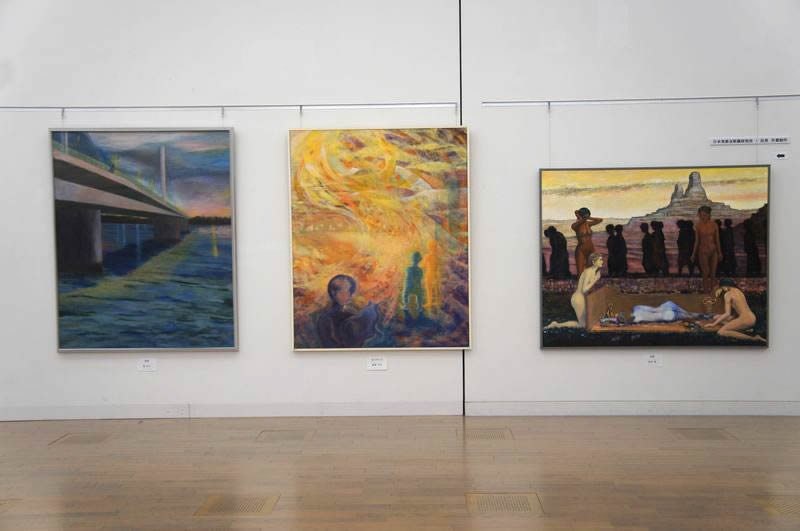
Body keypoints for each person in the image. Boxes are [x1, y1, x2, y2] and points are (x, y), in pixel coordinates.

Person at [317, 275, 379, 348]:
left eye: (351, 291)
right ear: (333, 293)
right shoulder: (325, 319)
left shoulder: (351, 313)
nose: (350, 295)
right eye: (345, 291)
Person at [545, 253, 603, 329]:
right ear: (593, 262)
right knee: (583, 325)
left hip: (582, 299)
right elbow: (584, 289)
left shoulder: (593, 272)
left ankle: (557, 324)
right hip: (578, 299)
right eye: (600, 260)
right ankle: (557, 325)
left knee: (586, 323)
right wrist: (595, 279)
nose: (602, 261)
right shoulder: (588, 272)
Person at [703, 278, 766, 343]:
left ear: (725, 286)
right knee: (717, 317)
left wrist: (713, 324)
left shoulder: (728, 294)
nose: (722, 290)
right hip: (752, 318)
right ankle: (745, 329)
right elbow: (737, 311)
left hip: (745, 320)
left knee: (721, 332)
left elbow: (727, 313)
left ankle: (753, 338)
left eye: (722, 288)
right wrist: (721, 318)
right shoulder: (739, 291)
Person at [691, 206, 722, 293]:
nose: (702, 217)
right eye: (700, 215)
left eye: (704, 215)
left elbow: (717, 240)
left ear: (709, 215)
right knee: (705, 273)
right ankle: (705, 292)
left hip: (713, 251)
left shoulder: (714, 225)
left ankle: (713, 292)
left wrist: (720, 252)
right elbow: (697, 241)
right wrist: (693, 254)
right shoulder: (698, 225)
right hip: (703, 251)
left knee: (713, 274)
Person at [571, 207, 603, 276]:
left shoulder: (588, 224)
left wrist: (589, 217)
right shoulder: (575, 225)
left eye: (588, 216)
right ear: (581, 216)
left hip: (591, 248)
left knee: (593, 270)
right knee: (580, 272)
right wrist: (581, 217)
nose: (586, 218)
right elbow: (581, 221)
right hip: (581, 249)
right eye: (585, 216)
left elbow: (600, 220)